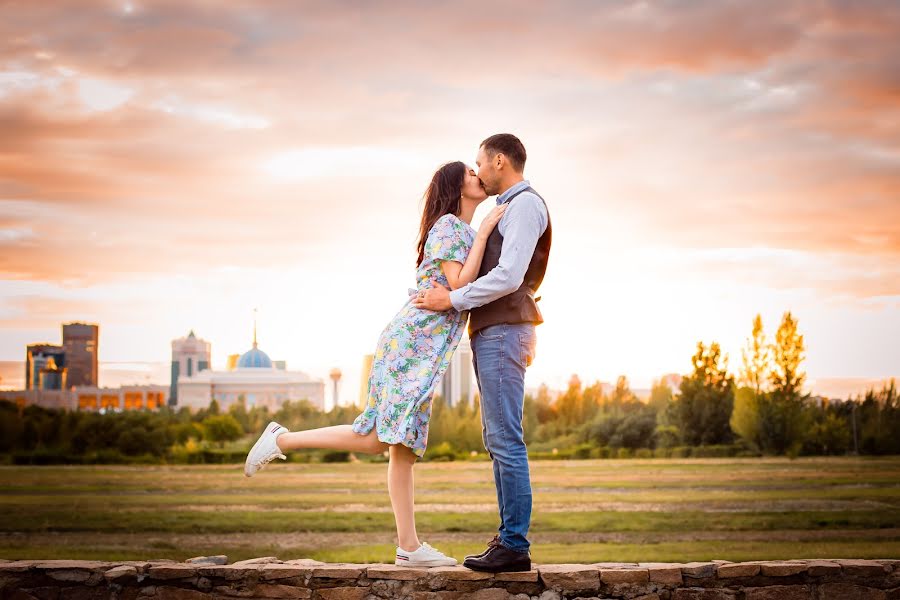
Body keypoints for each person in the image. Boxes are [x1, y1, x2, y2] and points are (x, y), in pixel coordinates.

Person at [243, 160, 507, 568]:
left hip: (420, 348)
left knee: (398, 445)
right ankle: (282, 441)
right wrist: (487, 229)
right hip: (411, 345)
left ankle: (409, 547)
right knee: (380, 438)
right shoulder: (450, 226)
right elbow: (459, 285)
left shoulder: (460, 231)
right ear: (457, 187)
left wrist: (483, 234)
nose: (479, 176)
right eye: (471, 173)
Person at [413, 133, 551, 573]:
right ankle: (508, 538)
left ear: (499, 160)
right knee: (497, 438)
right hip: (496, 330)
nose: (477, 171)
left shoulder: (525, 204)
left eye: (479, 163)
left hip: (505, 331)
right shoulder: (504, 210)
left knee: (506, 438)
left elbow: (510, 275)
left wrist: (451, 301)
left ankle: (514, 544)